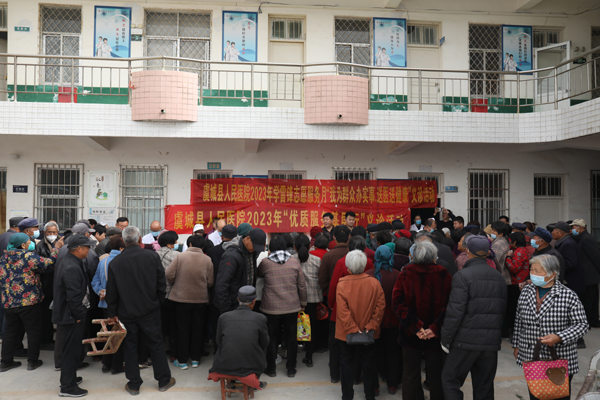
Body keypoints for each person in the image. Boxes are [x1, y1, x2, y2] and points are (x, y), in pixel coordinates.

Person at [105, 226, 175, 395]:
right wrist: (158, 301)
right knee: (156, 344)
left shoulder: (115, 262)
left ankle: (134, 384)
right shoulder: (152, 256)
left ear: (123, 241)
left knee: (130, 347)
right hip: (150, 309)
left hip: (126, 311)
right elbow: (161, 283)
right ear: (140, 239)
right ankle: (164, 380)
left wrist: (112, 313)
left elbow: (111, 291)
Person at [512, 254, 589, 400]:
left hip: (559, 358)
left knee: (557, 396)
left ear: (552, 274)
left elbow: (582, 325)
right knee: (536, 394)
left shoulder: (568, 295)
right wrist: (516, 345)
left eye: (538, 271)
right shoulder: (527, 291)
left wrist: (559, 337)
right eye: (532, 270)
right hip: (532, 355)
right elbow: (518, 320)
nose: (533, 274)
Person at [441, 235, 507, 400]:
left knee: (450, 380)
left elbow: (455, 312)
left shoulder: (462, 276)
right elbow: (502, 310)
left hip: (465, 340)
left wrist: (446, 338)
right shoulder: (499, 277)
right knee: (484, 386)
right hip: (490, 342)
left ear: (467, 250)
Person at [392, 241, 452, 400]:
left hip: (410, 334)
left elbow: (398, 304)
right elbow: (450, 305)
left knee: (410, 373)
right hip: (435, 335)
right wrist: (434, 327)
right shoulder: (444, 275)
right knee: (436, 374)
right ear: (434, 257)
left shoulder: (405, 273)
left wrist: (416, 327)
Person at [0, 233, 63, 372]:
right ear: (23, 245)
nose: (31, 244)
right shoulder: (29, 257)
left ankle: (5, 362)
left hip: (9, 302)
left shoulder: (4, 258)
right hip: (29, 302)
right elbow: (49, 263)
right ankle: (32, 361)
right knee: (33, 331)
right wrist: (56, 248)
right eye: (28, 242)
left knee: (10, 333)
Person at [336, 250, 385, 400]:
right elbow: (380, 306)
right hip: (368, 333)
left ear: (348, 267)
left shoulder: (342, 284)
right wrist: (371, 325)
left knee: (346, 364)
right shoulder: (374, 283)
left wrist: (353, 329)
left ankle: (347, 395)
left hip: (346, 333)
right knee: (369, 364)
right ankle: (370, 395)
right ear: (364, 266)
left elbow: (342, 312)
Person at [52, 234, 96, 397]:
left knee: (72, 349)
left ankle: (69, 377)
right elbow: (73, 296)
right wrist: (78, 315)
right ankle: (67, 387)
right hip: (70, 315)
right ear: (79, 249)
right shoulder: (71, 266)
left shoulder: (71, 261)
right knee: (70, 350)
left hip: (70, 313)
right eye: (87, 247)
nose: (89, 250)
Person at [328, 235, 375, 384]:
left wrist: (331, 304)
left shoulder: (342, 262)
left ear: (348, 248)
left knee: (338, 344)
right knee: (360, 345)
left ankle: (335, 374)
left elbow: (333, 286)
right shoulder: (369, 262)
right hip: (364, 308)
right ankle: (356, 376)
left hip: (342, 308)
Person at [258, 236, 307, 378]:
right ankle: (291, 368)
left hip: (271, 308)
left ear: (271, 248)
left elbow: (259, 274)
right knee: (292, 338)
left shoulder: (265, 263)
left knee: (271, 338)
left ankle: (271, 368)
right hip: (292, 307)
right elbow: (302, 286)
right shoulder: (294, 262)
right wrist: (303, 303)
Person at [166, 235, 214, 370]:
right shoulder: (207, 260)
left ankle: (182, 361)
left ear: (190, 244)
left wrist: (177, 283)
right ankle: (195, 359)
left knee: (182, 330)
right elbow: (210, 282)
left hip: (180, 299)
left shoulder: (180, 257)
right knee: (197, 330)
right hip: (200, 300)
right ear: (203, 246)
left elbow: (169, 274)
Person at [209, 286, 269, 389]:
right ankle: (255, 378)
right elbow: (265, 342)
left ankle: (231, 381)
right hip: (251, 365)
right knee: (262, 344)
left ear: (238, 299)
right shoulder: (260, 318)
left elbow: (218, 341)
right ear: (254, 301)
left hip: (223, 364)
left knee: (228, 344)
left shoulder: (224, 317)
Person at [365, 245, 401, 395]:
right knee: (393, 352)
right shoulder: (398, 274)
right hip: (394, 320)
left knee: (374, 352)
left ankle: (376, 385)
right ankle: (392, 384)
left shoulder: (369, 275)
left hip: (374, 319)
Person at [91, 234, 126, 374]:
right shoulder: (123, 261)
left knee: (108, 334)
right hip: (121, 305)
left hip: (105, 304)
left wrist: (101, 291)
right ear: (122, 247)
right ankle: (117, 366)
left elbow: (95, 281)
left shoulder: (103, 261)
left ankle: (106, 363)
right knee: (119, 336)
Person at [214, 228, 267, 314]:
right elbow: (222, 284)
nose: (254, 249)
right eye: (254, 246)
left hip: (248, 304)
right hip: (233, 305)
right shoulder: (231, 255)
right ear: (248, 238)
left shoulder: (252, 252)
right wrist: (226, 310)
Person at [294, 234, 322, 368]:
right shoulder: (317, 260)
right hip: (312, 299)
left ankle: (292, 357)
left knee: (294, 327)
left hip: (295, 300)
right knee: (311, 327)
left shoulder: (291, 260)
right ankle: (309, 357)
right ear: (310, 246)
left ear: (295, 247)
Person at [35, 221, 60, 349]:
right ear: (44, 232)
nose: (51, 234)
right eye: (49, 232)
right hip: (46, 284)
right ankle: (46, 340)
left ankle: (50, 338)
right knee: (45, 314)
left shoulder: (61, 243)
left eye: (54, 232)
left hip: (57, 283)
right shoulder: (40, 247)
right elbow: (42, 266)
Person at [571, 219, 600, 328]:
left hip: (589, 275)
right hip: (587, 275)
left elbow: (595, 256)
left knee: (589, 300)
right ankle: (592, 320)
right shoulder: (581, 237)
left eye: (573, 227)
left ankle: (589, 321)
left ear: (579, 227)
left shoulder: (586, 238)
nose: (572, 230)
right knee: (590, 299)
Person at [319, 225, 350, 298]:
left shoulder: (328, 255)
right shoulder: (354, 254)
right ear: (349, 237)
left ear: (333, 237)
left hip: (333, 294)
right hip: (352, 294)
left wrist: (329, 291)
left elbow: (322, 278)